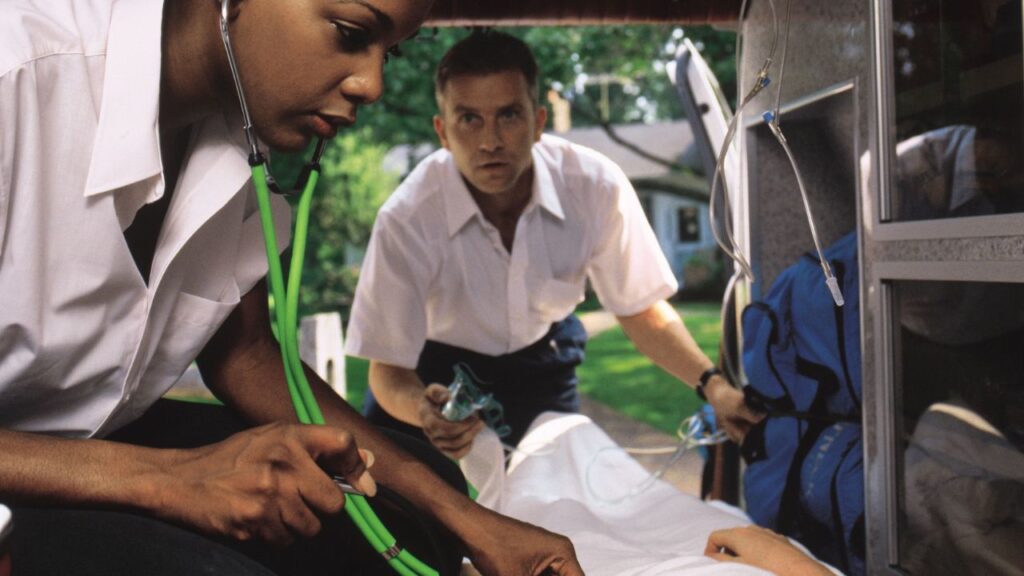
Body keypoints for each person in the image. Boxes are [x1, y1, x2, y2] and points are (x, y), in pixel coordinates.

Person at [0, 1, 584, 575]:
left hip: (97, 438)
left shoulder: (232, 124)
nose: (374, 84)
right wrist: (174, 480)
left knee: (415, 502)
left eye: (393, 50)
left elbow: (246, 355)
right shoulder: (16, 72)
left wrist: (469, 521)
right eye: (350, 30)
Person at [346, 30, 763, 460]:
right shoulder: (407, 218)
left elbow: (640, 310)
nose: (490, 141)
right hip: (429, 372)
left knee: (559, 511)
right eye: (469, 119)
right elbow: (388, 368)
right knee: (402, 514)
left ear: (539, 121)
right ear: (443, 131)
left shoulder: (596, 188)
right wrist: (422, 410)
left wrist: (715, 388)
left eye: (508, 115)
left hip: (540, 366)